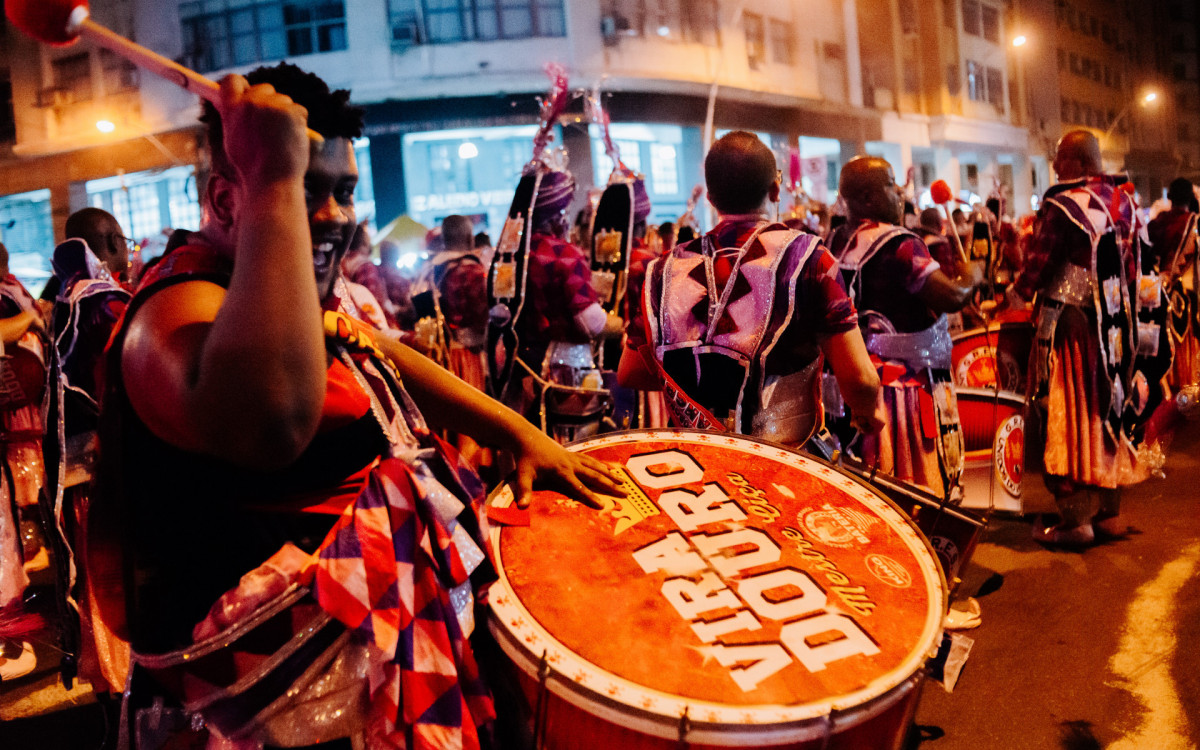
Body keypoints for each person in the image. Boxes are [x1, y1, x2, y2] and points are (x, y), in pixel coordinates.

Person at [98, 62, 620, 748]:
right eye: (305, 189)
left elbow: (371, 347)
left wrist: (518, 431)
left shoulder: (278, 294)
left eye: (344, 191)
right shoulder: (175, 312)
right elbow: (271, 423)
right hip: (263, 714)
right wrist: (273, 181)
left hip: (365, 672)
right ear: (227, 202)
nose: (336, 217)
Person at [618, 131, 884, 447]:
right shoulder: (810, 259)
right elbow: (861, 381)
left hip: (690, 468)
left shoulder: (662, 269)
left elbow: (630, 372)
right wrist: (868, 411)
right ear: (775, 190)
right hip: (783, 470)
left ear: (710, 197)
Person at [1007, 130, 1138, 546]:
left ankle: (1075, 520)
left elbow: (1040, 265)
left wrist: (1015, 294)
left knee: (1063, 410)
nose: (1055, 166)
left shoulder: (1063, 204)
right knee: (1108, 409)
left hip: (1069, 324)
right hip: (1115, 329)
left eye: (1061, 159)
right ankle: (1110, 515)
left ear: (1080, 164)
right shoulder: (1124, 203)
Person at [828, 156, 983, 500]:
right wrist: (970, 278)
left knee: (867, 480)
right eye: (890, 184)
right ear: (868, 197)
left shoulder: (833, 241)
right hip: (902, 386)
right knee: (910, 477)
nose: (899, 193)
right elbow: (951, 296)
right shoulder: (900, 244)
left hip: (854, 383)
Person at [1149, 178, 1200, 390]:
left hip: (1160, 294)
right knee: (1186, 346)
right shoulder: (1194, 223)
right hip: (1187, 298)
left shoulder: (1158, 222)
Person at [38, 208, 132, 304]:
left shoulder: (63, 289)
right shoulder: (112, 298)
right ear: (114, 242)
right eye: (124, 240)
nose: (127, 249)